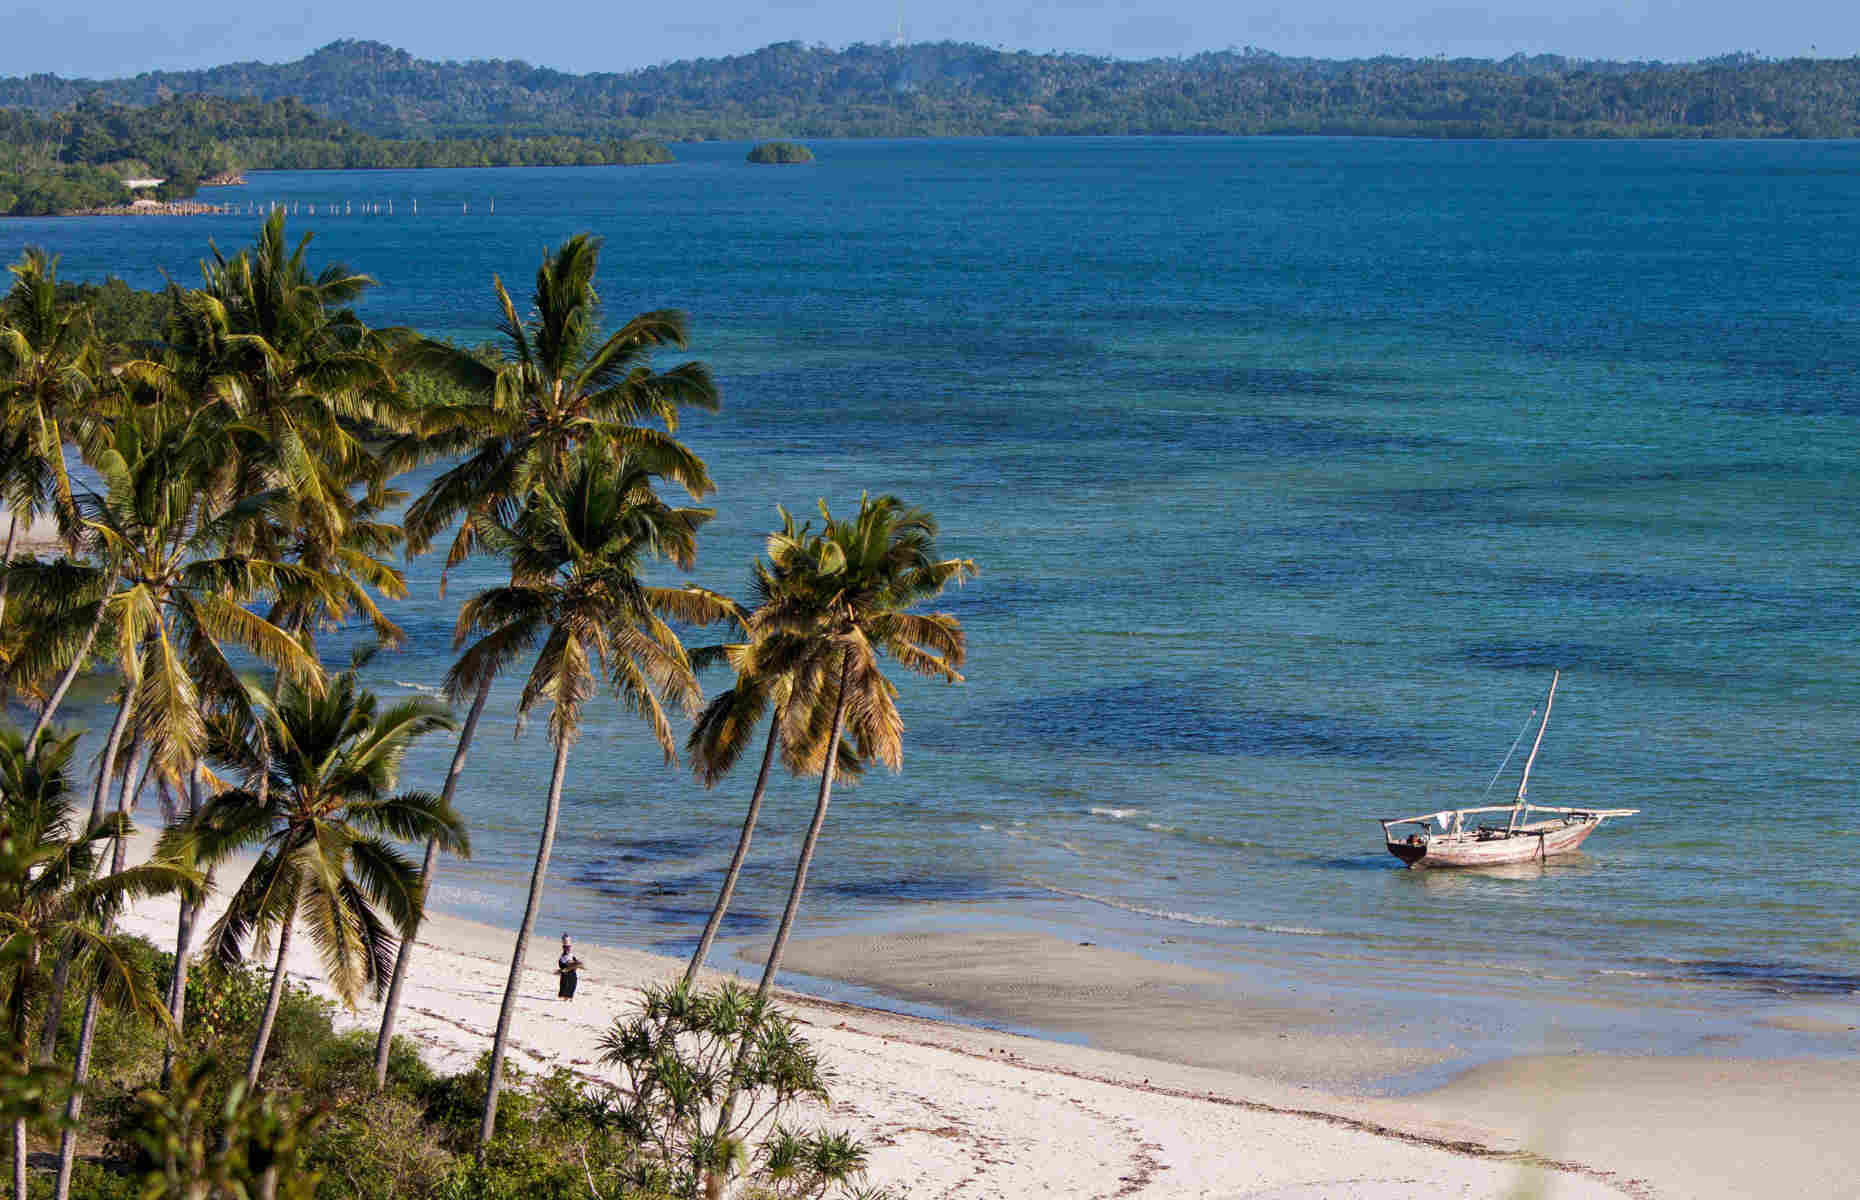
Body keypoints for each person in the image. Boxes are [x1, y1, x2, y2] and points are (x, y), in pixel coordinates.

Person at [557, 935, 583, 1001]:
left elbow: (575, 961)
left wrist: (577, 963)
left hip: (572, 972)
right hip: (566, 973)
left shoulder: (571, 955)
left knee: (573, 984)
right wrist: (572, 964)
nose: (569, 949)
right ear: (564, 948)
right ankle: (565, 997)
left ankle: (570, 996)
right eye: (567, 948)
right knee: (566, 984)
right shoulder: (563, 956)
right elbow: (564, 964)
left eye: (569, 947)